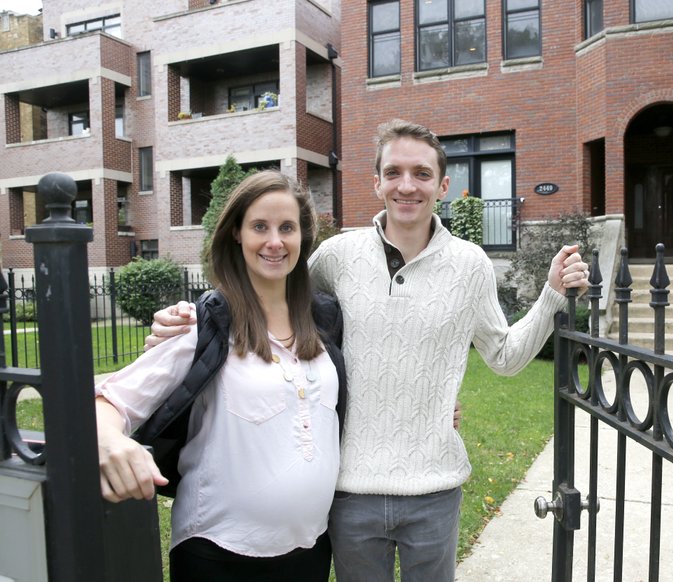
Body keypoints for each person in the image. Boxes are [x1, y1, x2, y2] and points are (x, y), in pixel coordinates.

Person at [149, 119, 590, 581]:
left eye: (421, 174)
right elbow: (270, 299)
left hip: (435, 490)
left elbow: (504, 357)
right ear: (375, 181)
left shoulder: (471, 265)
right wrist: (194, 320)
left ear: (442, 185)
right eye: (394, 172)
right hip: (347, 491)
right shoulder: (337, 256)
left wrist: (552, 295)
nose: (407, 186)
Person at [95, 170, 347, 582]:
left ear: (303, 236)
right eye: (259, 227)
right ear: (236, 234)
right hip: (218, 554)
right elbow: (111, 399)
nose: (274, 242)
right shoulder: (204, 324)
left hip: (311, 549)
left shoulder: (325, 321)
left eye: (287, 228)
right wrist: (107, 440)